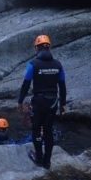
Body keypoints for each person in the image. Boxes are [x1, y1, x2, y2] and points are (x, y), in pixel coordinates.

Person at [17, 34, 67, 169]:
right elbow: (62, 86)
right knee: (48, 131)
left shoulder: (33, 64)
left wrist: (20, 101)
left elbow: (26, 84)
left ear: (36, 48)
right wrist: (63, 104)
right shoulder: (58, 65)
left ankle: (39, 157)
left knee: (36, 130)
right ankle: (47, 162)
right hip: (53, 102)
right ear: (49, 47)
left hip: (39, 102)